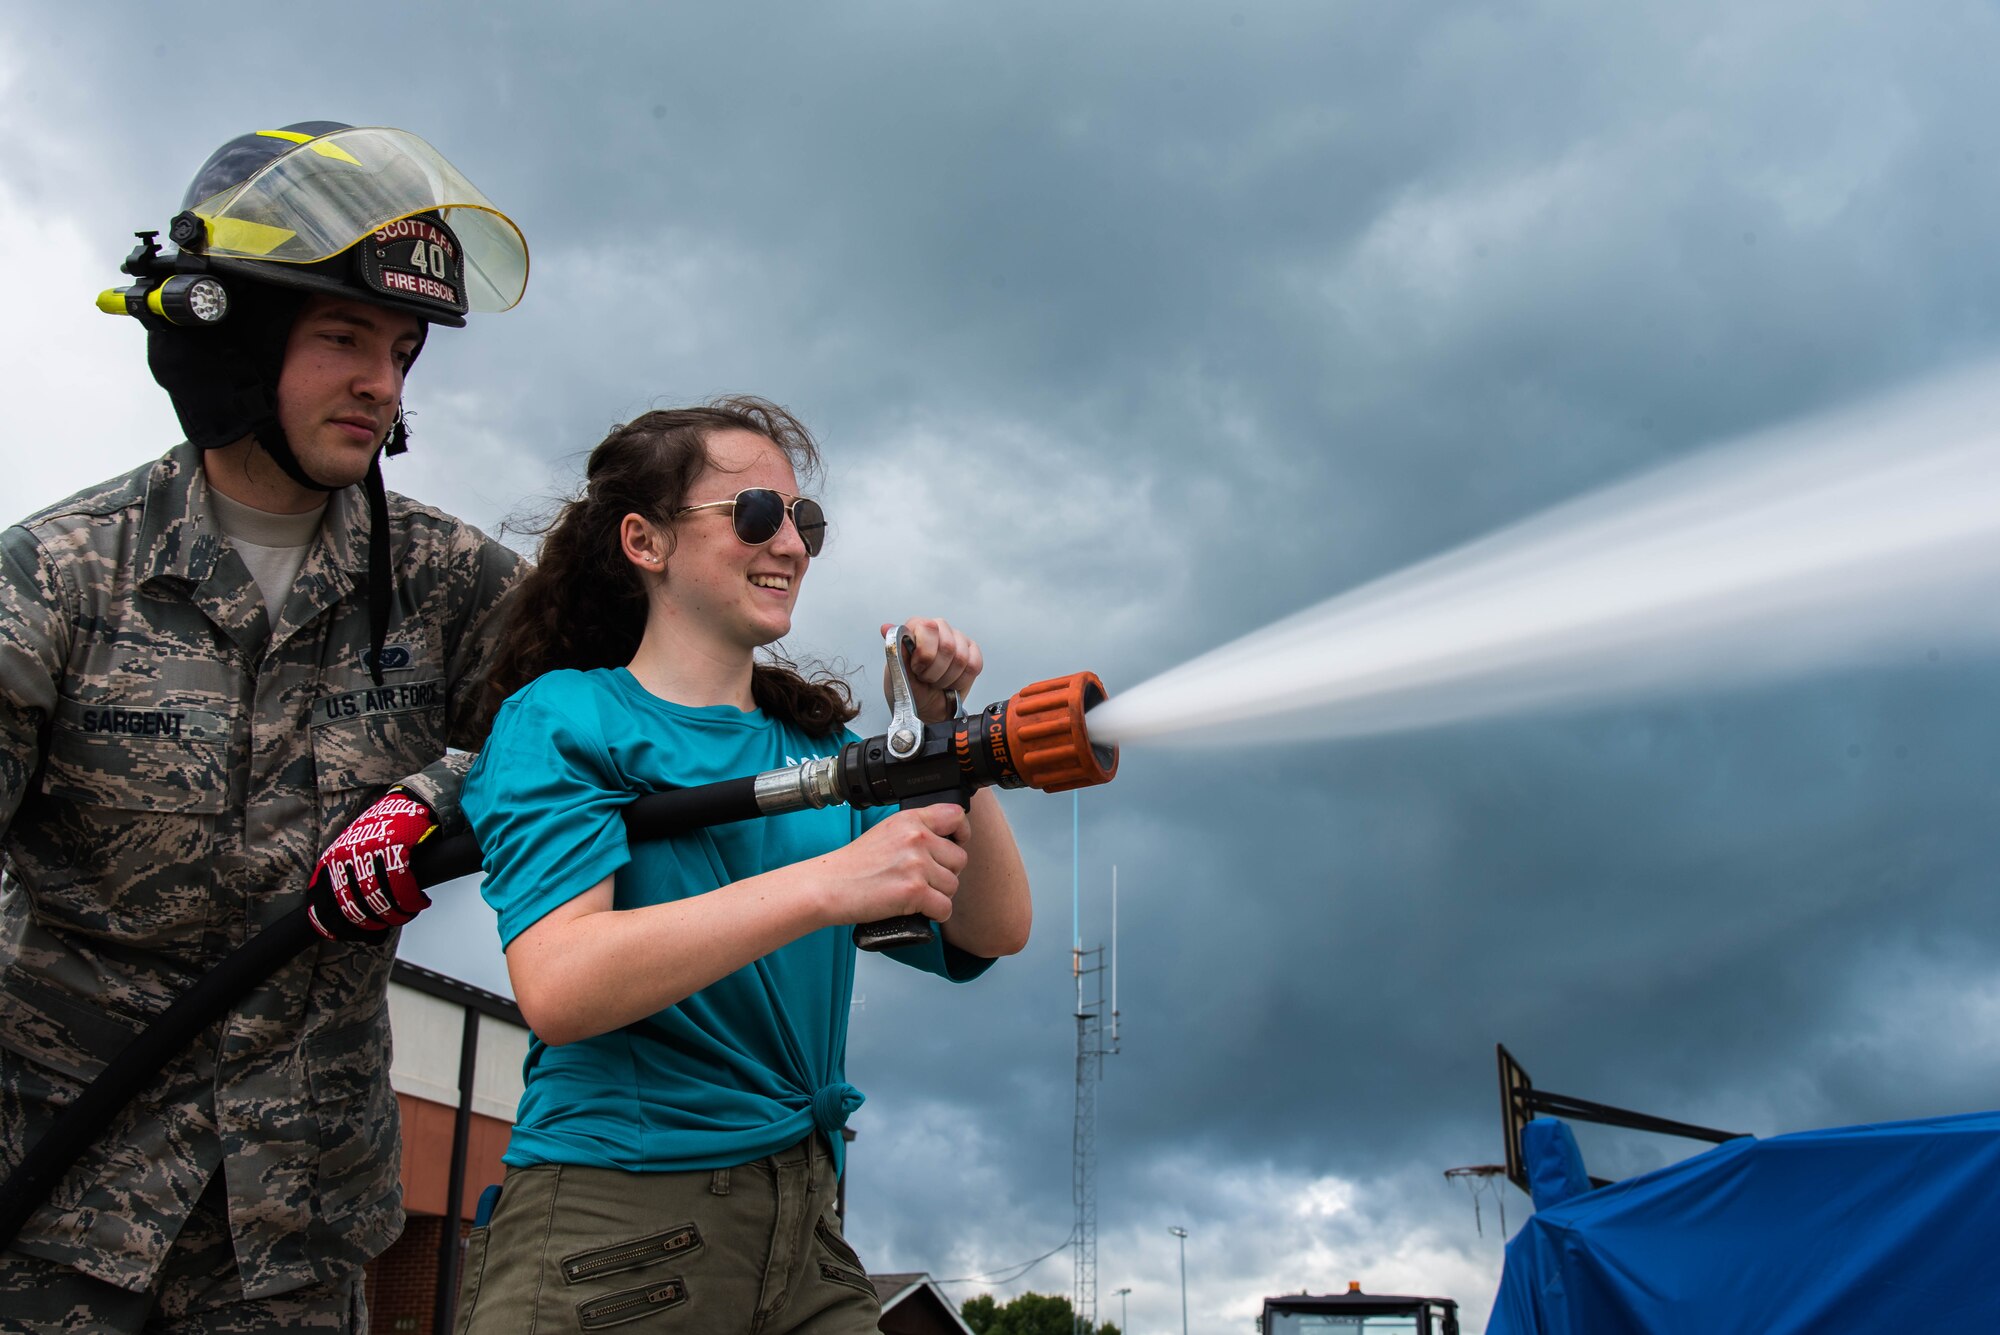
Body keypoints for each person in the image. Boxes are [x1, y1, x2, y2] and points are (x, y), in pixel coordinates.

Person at [0, 122, 531, 1330]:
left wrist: (435, 794)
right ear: (222, 336)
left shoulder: (451, 582)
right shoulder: (55, 578)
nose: (384, 385)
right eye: (343, 338)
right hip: (55, 1218)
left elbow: (613, 721)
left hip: (297, 1242)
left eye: (401, 350)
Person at [453, 398, 1032, 1334]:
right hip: (620, 1223)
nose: (794, 546)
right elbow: (559, 980)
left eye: (803, 521)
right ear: (646, 542)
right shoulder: (566, 718)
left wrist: (947, 739)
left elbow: (991, 927)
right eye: (757, 515)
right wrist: (825, 886)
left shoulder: (822, 748)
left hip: (806, 1225)